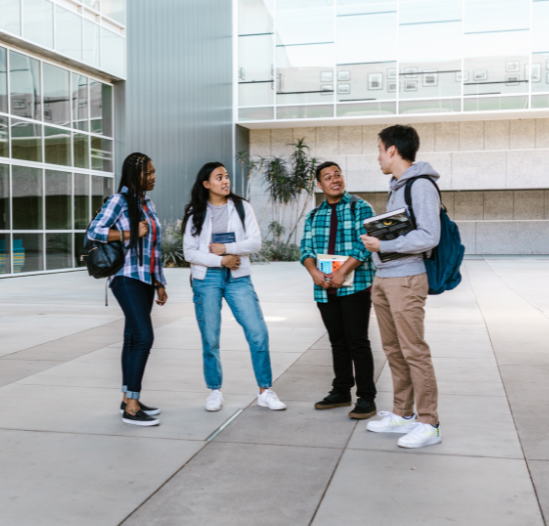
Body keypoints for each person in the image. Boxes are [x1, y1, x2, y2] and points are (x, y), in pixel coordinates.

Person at [360, 125, 443, 449]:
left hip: (406, 278)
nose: (378, 157)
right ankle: (403, 413)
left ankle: (429, 422)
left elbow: (429, 236)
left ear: (392, 150)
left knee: (414, 351)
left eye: (380, 149)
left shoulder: (420, 185)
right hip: (386, 277)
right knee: (393, 350)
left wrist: (383, 247)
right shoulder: (398, 186)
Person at [182, 162, 286, 412]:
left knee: (258, 332)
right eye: (219, 177)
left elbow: (255, 242)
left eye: (226, 176)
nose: (225, 181)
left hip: (238, 277)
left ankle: (265, 391)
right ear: (206, 184)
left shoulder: (241, 207)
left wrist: (228, 249)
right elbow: (189, 252)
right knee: (211, 338)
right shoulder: (195, 212)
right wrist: (220, 260)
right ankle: (214, 391)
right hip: (207, 279)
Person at [87, 153, 168, 427]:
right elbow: (94, 231)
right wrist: (129, 233)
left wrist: (159, 282)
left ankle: (127, 398)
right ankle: (131, 408)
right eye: (148, 173)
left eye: (154, 172)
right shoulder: (118, 201)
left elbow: (154, 248)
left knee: (133, 338)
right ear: (134, 175)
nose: (153, 176)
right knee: (144, 337)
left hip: (145, 279)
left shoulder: (147, 203)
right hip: (126, 277)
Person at [300, 161, 378, 419]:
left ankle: (366, 398)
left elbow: (365, 245)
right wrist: (314, 272)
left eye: (338, 174)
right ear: (319, 184)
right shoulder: (313, 215)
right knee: (337, 342)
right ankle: (341, 391)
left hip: (355, 286)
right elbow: (306, 249)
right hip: (324, 288)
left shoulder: (360, 207)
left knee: (358, 342)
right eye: (328, 177)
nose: (335, 180)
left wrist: (342, 271)